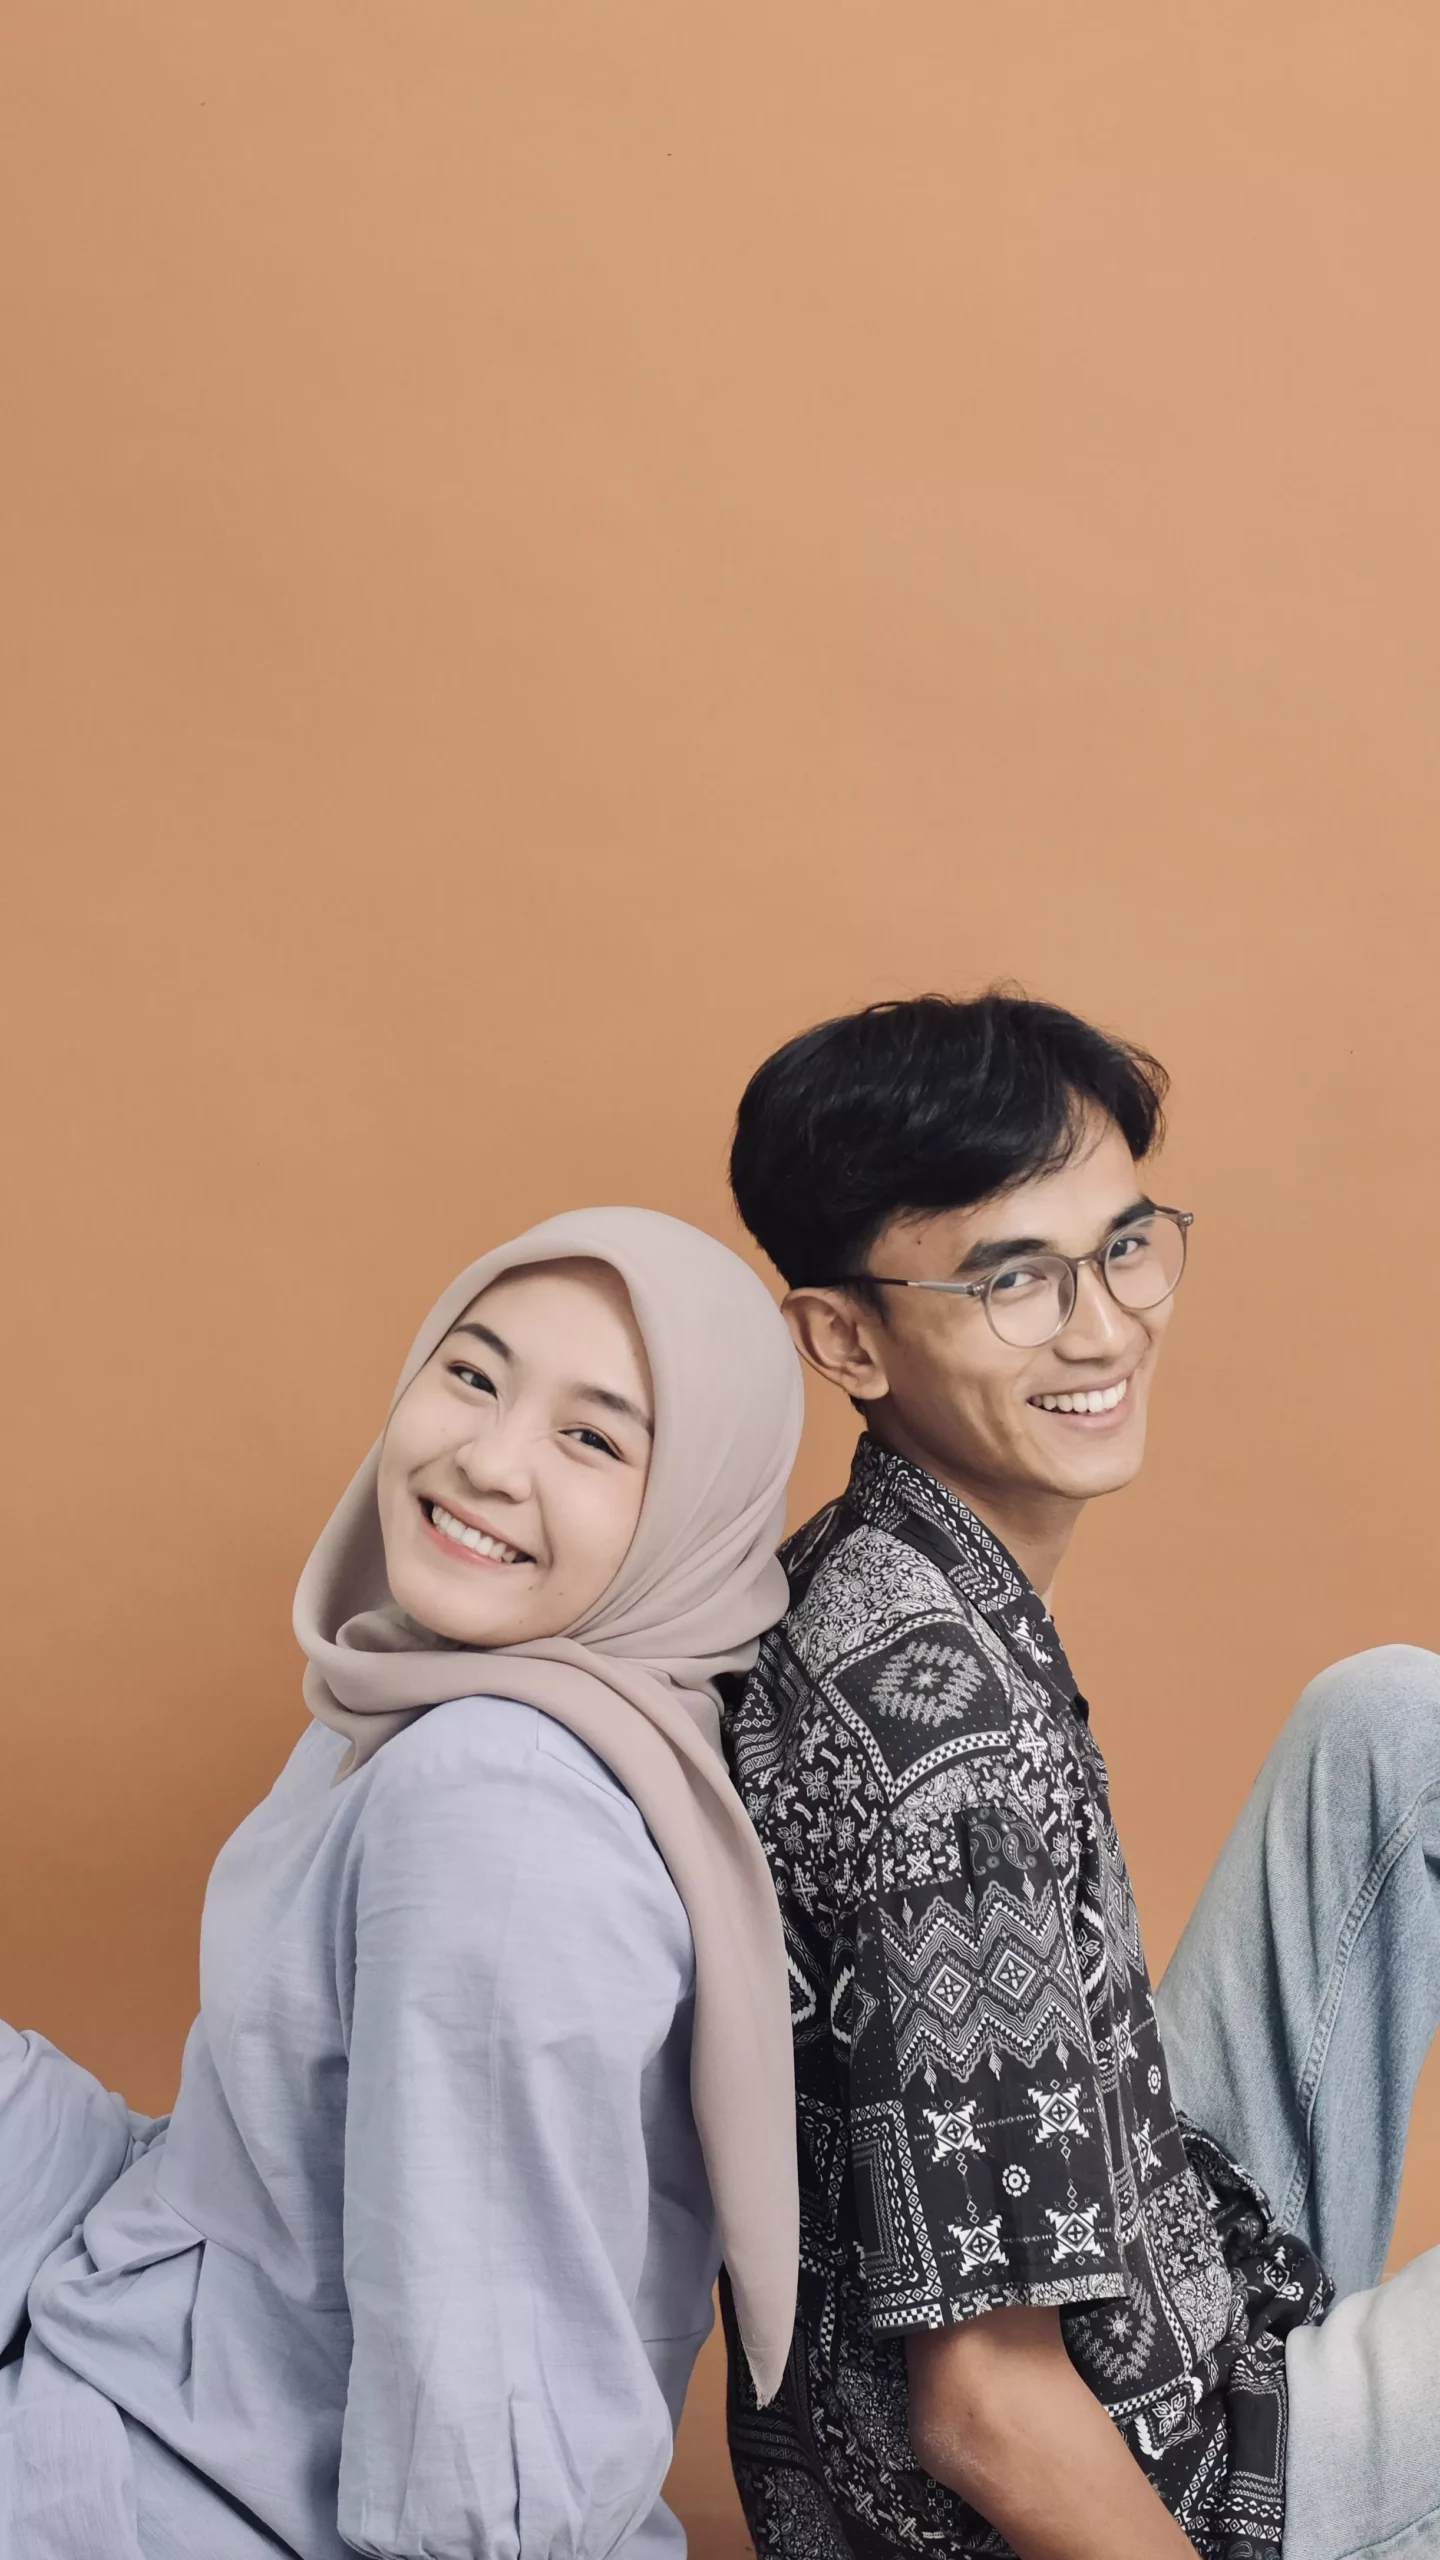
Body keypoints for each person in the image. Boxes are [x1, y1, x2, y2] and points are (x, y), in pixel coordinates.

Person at [721, 993, 1440, 2560]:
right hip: (1166, 2479)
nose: (1104, 1327)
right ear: (845, 1338)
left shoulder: (885, 1563)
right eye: (1012, 1281)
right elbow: (985, 2409)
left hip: (1172, 2268)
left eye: (1122, 1247)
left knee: (1396, 1727)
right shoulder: (943, 1750)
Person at [0, 1207, 804, 2559]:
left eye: (594, 1439)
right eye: (473, 1374)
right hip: (140, 2373)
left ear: (692, 1513)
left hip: (172, 2494)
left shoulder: (496, 1802)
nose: (486, 1459)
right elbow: (261, 2181)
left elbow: (482, 2453)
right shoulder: (418, 1704)